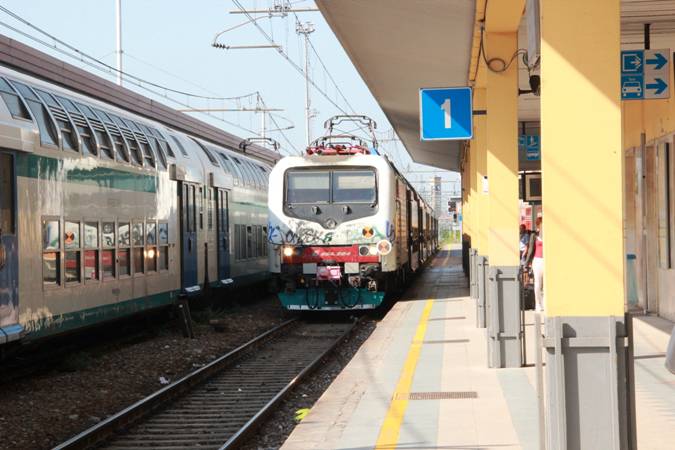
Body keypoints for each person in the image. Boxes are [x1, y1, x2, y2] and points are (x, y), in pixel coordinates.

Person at [525, 217, 544, 312]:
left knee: (546, 284)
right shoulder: (534, 235)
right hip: (537, 261)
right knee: (537, 283)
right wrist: (527, 263)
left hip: (546, 261)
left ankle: (544, 303)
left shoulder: (549, 235)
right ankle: (538, 304)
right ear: (538, 225)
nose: (543, 226)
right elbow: (530, 249)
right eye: (541, 224)